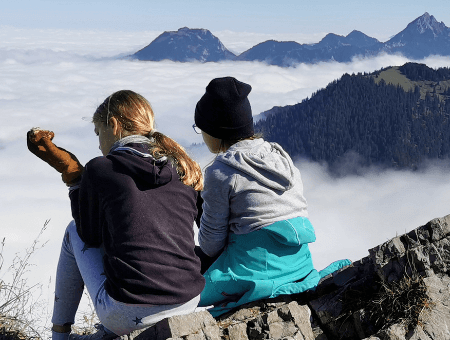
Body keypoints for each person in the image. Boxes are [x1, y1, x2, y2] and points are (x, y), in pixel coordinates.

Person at [27, 90, 206, 339]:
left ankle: (59, 335)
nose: (99, 143)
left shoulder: (101, 168)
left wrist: (75, 182)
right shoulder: (182, 167)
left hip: (127, 313)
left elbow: (88, 235)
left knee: (72, 232)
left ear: (113, 125)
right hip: (188, 302)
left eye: (98, 133)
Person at [193, 77, 349, 316]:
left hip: (255, 273)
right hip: (298, 266)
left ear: (215, 131)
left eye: (201, 128)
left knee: (178, 278)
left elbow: (210, 245)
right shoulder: (280, 158)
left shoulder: (220, 172)